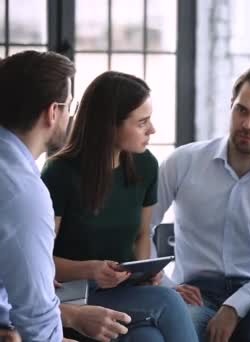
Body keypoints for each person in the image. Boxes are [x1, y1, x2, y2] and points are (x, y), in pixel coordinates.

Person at [151, 65, 250, 342]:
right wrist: (166, 285)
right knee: (180, 322)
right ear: (231, 106)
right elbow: (143, 228)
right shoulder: (183, 162)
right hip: (193, 290)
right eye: (242, 110)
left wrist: (235, 305)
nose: (248, 124)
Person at [41, 71, 198, 342]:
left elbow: (141, 235)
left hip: (123, 291)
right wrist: (91, 269)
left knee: (148, 338)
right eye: (142, 122)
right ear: (110, 125)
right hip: (71, 294)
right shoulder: (59, 173)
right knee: (167, 300)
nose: (152, 130)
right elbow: (38, 260)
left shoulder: (145, 165)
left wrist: (146, 274)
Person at [0, 50, 136, 342]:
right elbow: (36, 318)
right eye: (69, 106)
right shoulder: (22, 193)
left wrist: (71, 316)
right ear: (52, 112)